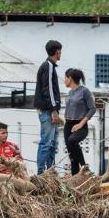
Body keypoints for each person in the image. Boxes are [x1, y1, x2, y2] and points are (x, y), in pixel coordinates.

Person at [33, 40, 63, 174]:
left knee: (52, 144)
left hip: (47, 110)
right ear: (57, 51)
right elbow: (48, 89)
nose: (60, 53)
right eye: (60, 51)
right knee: (46, 142)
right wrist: (54, 110)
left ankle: (50, 171)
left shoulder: (48, 66)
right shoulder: (49, 66)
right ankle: (40, 172)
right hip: (47, 111)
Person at [62, 68, 95, 175]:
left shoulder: (84, 91)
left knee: (72, 140)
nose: (64, 80)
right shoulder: (70, 92)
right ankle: (75, 181)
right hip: (68, 125)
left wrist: (81, 123)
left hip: (80, 125)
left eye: (65, 78)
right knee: (72, 157)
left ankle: (84, 167)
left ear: (70, 78)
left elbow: (92, 108)